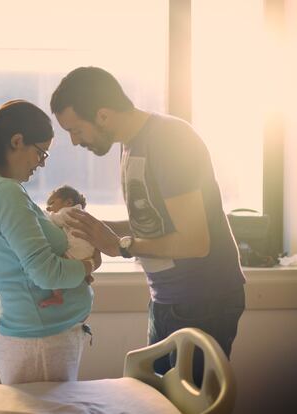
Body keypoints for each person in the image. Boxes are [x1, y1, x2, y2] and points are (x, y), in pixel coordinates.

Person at [50, 67, 246, 385]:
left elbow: (195, 241)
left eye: (76, 130)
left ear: (102, 115)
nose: (74, 142)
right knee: (156, 399)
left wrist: (122, 246)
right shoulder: (130, 145)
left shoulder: (169, 140)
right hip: (167, 299)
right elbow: (155, 222)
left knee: (185, 404)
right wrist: (92, 228)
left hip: (203, 300)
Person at [0, 99, 101, 385]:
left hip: (36, 334)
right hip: (40, 340)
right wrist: (88, 265)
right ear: (17, 141)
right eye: (41, 153)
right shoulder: (5, 193)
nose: (40, 164)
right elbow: (45, 272)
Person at [40, 185, 95, 308]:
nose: (48, 208)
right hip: (87, 251)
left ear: (68, 202)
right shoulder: (80, 213)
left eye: (52, 203)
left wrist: (41, 214)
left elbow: (52, 220)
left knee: (55, 268)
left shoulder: (68, 212)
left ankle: (57, 295)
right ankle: (85, 276)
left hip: (77, 250)